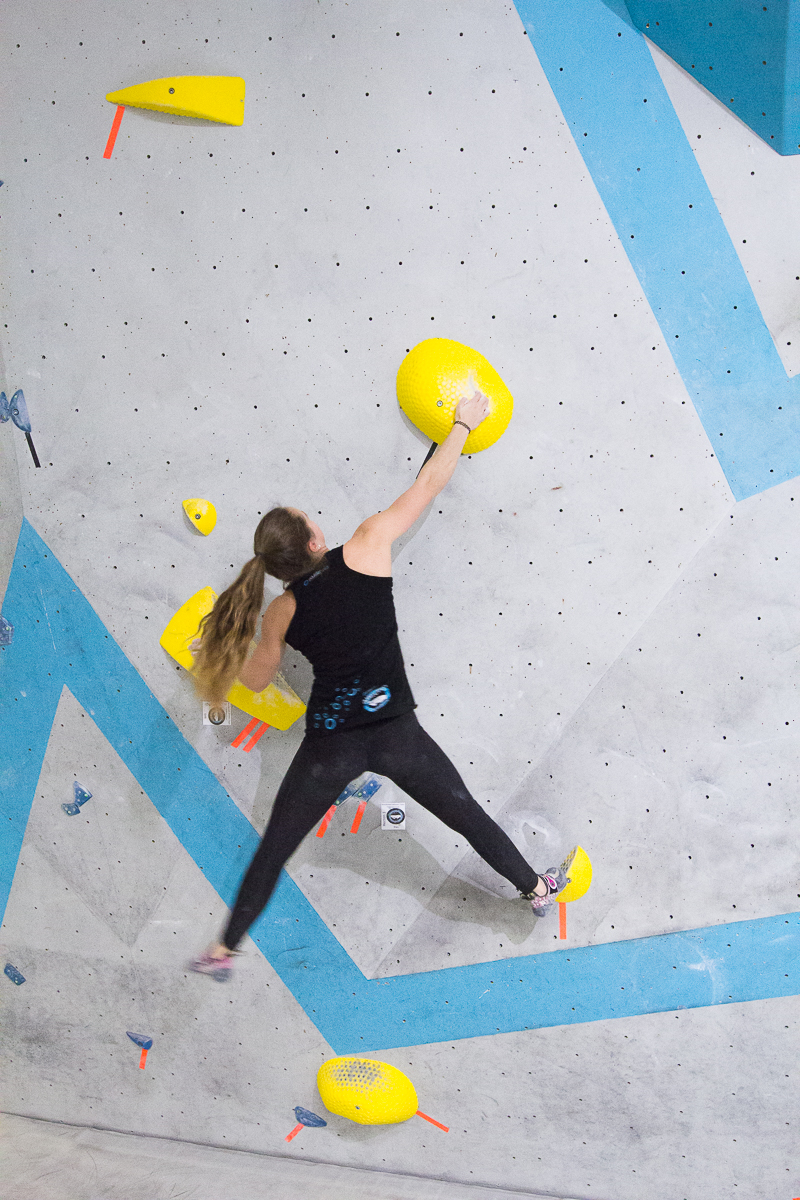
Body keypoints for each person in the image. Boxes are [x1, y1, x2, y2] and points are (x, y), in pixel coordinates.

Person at [189, 391, 565, 981]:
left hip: (331, 745)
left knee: (273, 849)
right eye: (311, 520)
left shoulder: (281, 611)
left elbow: (259, 680)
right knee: (464, 813)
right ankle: (536, 888)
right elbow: (429, 485)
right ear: (314, 541)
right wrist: (464, 422)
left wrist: (218, 653)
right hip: (395, 733)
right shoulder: (365, 546)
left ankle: (222, 951)